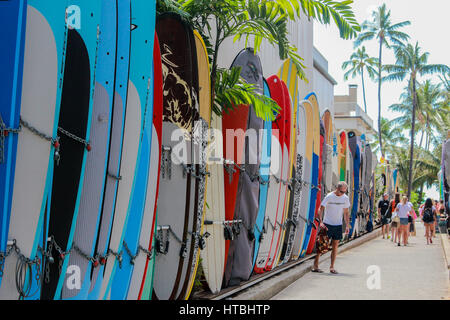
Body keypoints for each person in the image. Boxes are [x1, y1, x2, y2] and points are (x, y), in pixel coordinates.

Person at [312, 181, 350, 274]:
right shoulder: (329, 196)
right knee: (321, 245)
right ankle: (315, 266)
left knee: (335, 246)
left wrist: (347, 225)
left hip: (338, 225)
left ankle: (332, 267)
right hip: (327, 224)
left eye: (344, 192)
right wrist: (321, 222)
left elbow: (346, 212)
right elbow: (320, 209)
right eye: (341, 192)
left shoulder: (345, 198)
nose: (342, 194)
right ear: (337, 189)